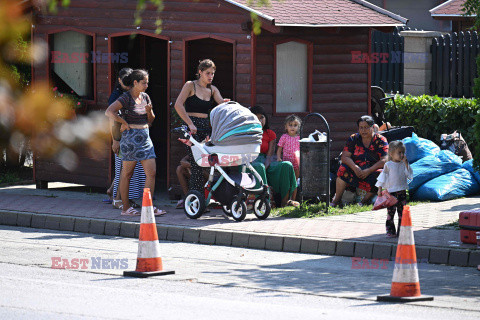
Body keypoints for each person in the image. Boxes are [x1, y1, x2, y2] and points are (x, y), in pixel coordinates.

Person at [105, 69, 166, 216]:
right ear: (135, 82)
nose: (146, 85)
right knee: (127, 174)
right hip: (130, 139)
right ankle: (126, 208)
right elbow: (109, 111)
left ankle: (148, 207)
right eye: (144, 82)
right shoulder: (125, 97)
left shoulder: (145, 97)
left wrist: (150, 112)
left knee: (151, 172)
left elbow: (150, 120)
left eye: (147, 82)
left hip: (145, 137)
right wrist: (123, 121)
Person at [174, 59, 226, 192]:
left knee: (207, 163)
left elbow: (222, 103)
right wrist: (190, 124)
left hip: (206, 128)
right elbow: (178, 105)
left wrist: (226, 103)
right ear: (200, 72)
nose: (210, 76)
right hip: (192, 126)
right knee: (195, 163)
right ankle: (196, 200)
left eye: (213, 74)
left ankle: (205, 197)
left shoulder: (213, 89)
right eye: (208, 73)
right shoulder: (190, 85)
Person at [104, 68, 145, 210]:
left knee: (128, 169)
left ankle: (119, 195)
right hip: (122, 137)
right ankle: (118, 199)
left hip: (132, 136)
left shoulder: (132, 94)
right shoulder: (117, 96)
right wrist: (115, 140)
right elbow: (111, 119)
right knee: (124, 169)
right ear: (119, 80)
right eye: (125, 79)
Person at [330, 115, 388, 207]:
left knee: (382, 174)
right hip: (356, 170)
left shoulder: (380, 139)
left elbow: (384, 160)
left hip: (372, 171)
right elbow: (345, 157)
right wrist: (355, 167)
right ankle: (336, 200)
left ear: (373, 127)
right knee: (342, 169)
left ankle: (363, 202)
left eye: (366, 127)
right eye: (361, 128)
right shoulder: (353, 138)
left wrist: (369, 170)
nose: (363, 130)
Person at [250, 106, 299, 207]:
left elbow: (270, 155)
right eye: (256, 118)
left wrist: (266, 165)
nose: (259, 121)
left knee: (287, 165)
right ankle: (264, 201)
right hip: (250, 161)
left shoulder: (270, 134)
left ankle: (285, 201)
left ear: (266, 118)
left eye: (261, 117)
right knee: (259, 166)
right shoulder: (247, 133)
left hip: (266, 160)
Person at [376, 141, 413, 238]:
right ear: (391, 154)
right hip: (391, 193)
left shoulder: (403, 164)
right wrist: (380, 188)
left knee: (402, 213)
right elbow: (382, 176)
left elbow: (409, 175)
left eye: (403, 153)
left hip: (402, 192)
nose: (401, 155)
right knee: (390, 213)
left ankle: (402, 231)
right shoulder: (388, 165)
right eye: (399, 153)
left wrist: (406, 163)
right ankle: (390, 230)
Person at [277, 115, 301, 204]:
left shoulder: (299, 138)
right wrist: (279, 157)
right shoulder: (284, 137)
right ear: (286, 127)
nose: (292, 127)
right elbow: (279, 148)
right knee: (287, 182)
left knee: (295, 182)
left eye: (295, 125)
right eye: (290, 125)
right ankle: (285, 201)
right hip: (286, 164)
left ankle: (293, 200)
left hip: (296, 164)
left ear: (298, 127)